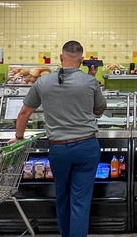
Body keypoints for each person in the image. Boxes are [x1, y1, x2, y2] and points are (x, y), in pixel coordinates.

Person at [10, 41, 106, 237]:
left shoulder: (43, 82)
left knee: (62, 196)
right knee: (80, 201)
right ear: (82, 60)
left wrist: (18, 137)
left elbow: (24, 112)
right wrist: (91, 80)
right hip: (86, 146)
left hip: (59, 149)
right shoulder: (90, 82)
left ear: (61, 58)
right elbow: (99, 108)